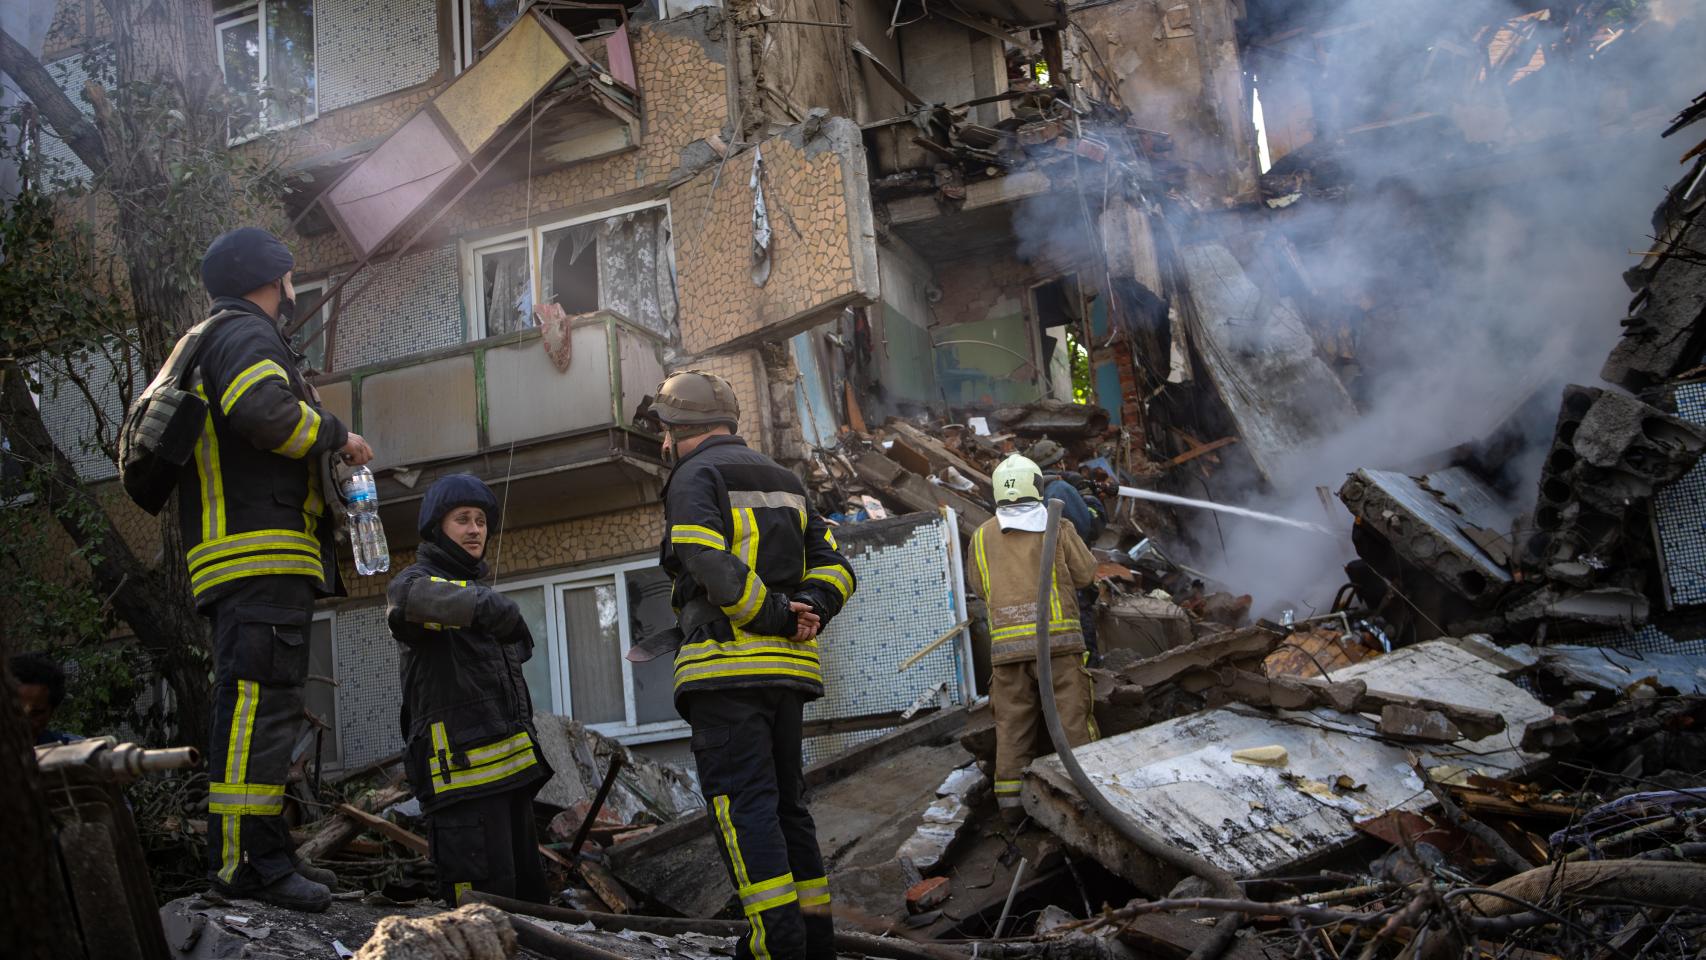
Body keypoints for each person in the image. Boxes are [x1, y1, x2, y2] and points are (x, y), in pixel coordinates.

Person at [185, 226, 373, 912]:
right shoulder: (245, 334)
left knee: (267, 711)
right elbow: (263, 412)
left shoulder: (223, 336)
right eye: (292, 278)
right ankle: (243, 868)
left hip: (252, 559)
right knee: (256, 713)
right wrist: (338, 434)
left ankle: (265, 853)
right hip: (257, 554)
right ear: (276, 279)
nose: (295, 290)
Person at [651, 370, 857, 960]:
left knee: (744, 809)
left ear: (677, 428)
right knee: (788, 808)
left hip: (724, 669)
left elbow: (705, 560)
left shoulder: (694, 475)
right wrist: (810, 608)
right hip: (788, 674)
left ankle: (774, 947)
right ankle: (815, 942)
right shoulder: (784, 479)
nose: (663, 443)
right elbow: (836, 565)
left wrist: (772, 613)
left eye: (664, 430)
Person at [387, 474, 551, 906]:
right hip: (460, 784)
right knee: (478, 915)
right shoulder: (417, 581)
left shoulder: (477, 589)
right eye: (462, 519)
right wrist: (485, 607)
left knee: (529, 908)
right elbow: (405, 603)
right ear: (437, 527)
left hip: (508, 782)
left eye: (480, 520)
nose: (475, 529)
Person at [969, 454, 1097, 821]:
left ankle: (1011, 808)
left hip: (1006, 653)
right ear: (1037, 485)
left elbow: (978, 586)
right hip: (1057, 645)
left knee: (1011, 726)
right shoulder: (1056, 524)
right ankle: (1087, 797)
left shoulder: (980, 536)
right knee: (1072, 720)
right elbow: (1086, 573)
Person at [1028, 438, 1106, 664]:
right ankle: (1091, 684)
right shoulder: (1060, 488)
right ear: (1060, 463)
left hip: (1042, 585)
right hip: (1071, 581)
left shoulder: (1032, 494)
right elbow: (1092, 526)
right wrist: (1088, 498)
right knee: (1083, 642)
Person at [9, 652, 83, 746]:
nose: (23, 722)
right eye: (15, 710)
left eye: (35, 713)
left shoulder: (75, 750)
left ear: (52, 711)